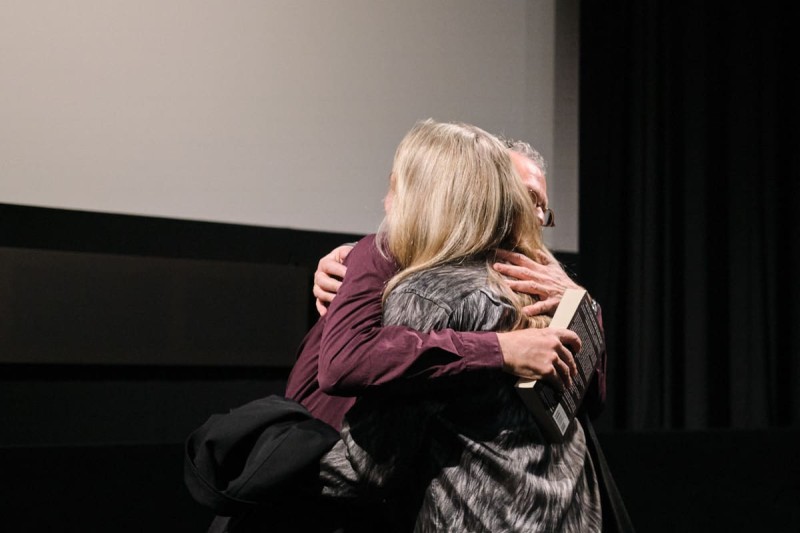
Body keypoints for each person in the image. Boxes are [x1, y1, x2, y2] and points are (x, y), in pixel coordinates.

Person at [317, 119, 602, 531]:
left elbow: (374, 462)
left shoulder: (428, 294)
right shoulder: (542, 289)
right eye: (527, 199)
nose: (535, 215)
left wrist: (279, 464)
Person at [284, 136, 603, 432]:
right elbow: (347, 363)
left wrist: (585, 309)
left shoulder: (538, 277)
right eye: (525, 196)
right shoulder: (392, 253)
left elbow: (590, 399)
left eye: (541, 207)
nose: (534, 216)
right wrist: (502, 350)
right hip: (330, 446)